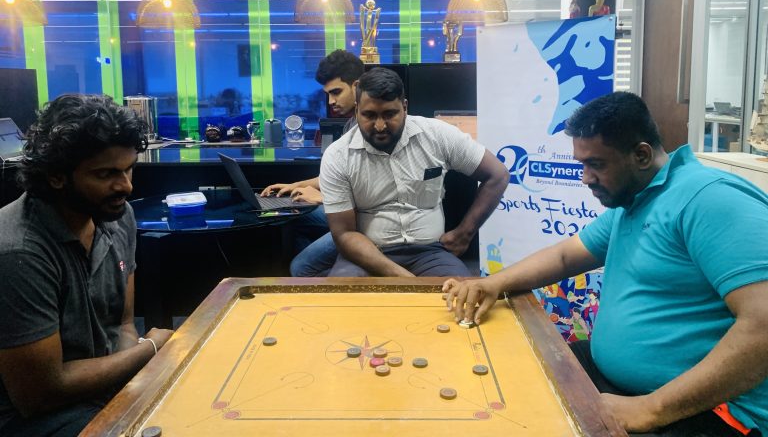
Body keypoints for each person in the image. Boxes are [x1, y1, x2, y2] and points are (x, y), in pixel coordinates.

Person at [443, 92, 768, 436]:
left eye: (596, 164)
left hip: (706, 410)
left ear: (641, 155)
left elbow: (763, 324)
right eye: (582, 164)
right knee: (506, 385)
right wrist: (493, 283)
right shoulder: (638, 199)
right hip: (617, 379)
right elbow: (565, 256)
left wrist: (650, 409)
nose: (585, 178)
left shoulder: (709, 199)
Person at [0, 94, 174, 437]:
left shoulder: (117, 215)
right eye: (106, 173)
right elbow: (40, 393)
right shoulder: (18, 251)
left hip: (100, 391)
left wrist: (134, 390)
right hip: (36, 418)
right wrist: (151, 350)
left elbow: (123, 324)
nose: (126, 186)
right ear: (56, 176)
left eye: (128, 168)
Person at [322, 67, 508, 277]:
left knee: (457, 295)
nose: (380, 126)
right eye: (369, 115)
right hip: (367, 254)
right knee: (344, 293)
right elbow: (344, 234)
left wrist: (465, 234)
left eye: (390, 114)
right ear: (357, 110)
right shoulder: (338, 156)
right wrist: (405, 279)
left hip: (431, 253)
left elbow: (497, 175)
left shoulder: (437, 135)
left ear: (404, 107)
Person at [261, 49, 365, 277]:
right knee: (295, 217)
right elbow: (336, 177)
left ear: (357, 86)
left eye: (336, 92)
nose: (331, 101)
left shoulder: (370, 130)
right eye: (328, 94)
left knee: (300, 267)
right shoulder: (351, 124)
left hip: (363, 222)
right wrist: (294, 185)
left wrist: (323, 198)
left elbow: (371, 197)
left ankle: (325, 278)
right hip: (347, 210)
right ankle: (333, 267)